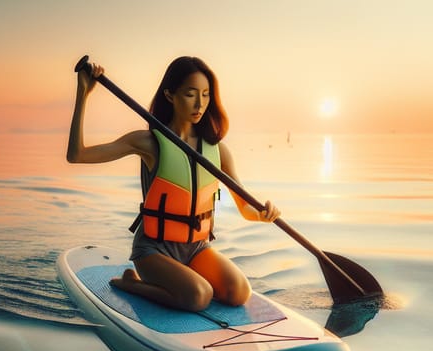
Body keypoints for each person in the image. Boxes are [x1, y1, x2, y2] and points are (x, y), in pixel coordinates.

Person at [67, 56, 281, 312]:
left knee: (239, 292)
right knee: (199, 297)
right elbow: (76, 155)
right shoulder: (148, 142)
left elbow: (247, 209)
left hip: (196, 248)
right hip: (154, 250)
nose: (200, 103)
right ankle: (131, 283)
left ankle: (184, 279)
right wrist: (83, 93)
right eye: (191, 94)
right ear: (170, 95)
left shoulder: (218, 151)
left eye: (205, 94)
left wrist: (264, 215)